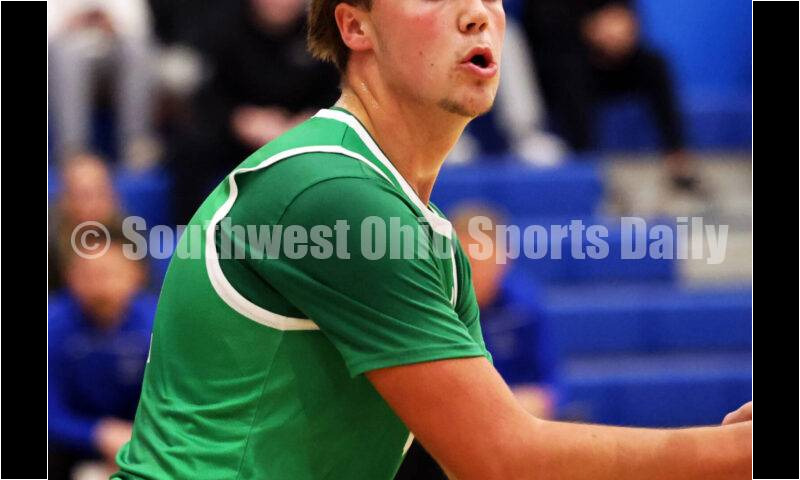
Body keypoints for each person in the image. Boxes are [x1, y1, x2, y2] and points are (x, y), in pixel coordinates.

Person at [113, 1, 752, 479]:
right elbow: (501, 458)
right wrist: (735, 453)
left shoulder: (423, 229)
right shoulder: (331, 192)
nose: (477, 14)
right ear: (355, 26)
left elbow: (463, 458)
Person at [167, 0, 340, 223]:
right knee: (190, 146)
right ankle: (187, 233)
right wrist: (240, 120)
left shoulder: (321, 34)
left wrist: (309, 122)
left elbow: (337, 91)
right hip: (239, 133)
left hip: (303, 131)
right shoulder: (223, 28)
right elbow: (207, 96)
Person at [522, 0, 700, 192]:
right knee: (570, 72)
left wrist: (620, 31)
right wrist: (590, 30)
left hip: (613, 61)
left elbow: (628, 16)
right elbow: (540, 30)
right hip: (562, 67)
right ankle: (586, 165)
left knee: (655, 64)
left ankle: (677, 154)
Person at [49, 235, 155, 480]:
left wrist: (137, 438)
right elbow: (50, 413)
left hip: (141, 440)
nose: (100, 285)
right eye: (88, 274)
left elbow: (171, 402)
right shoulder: (51, 325)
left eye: (110, 272)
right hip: (70, 446)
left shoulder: (158, 322)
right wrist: (97, 433)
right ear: (69, 277)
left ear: (136, 274)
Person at [48, 0, 160, 170]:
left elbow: (140, 28)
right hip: (66, 50)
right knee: (65, 55)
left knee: (137, 50)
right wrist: (75, 22)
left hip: (112, 50)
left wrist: (113, 24)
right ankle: (73, 151)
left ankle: (136, 145)